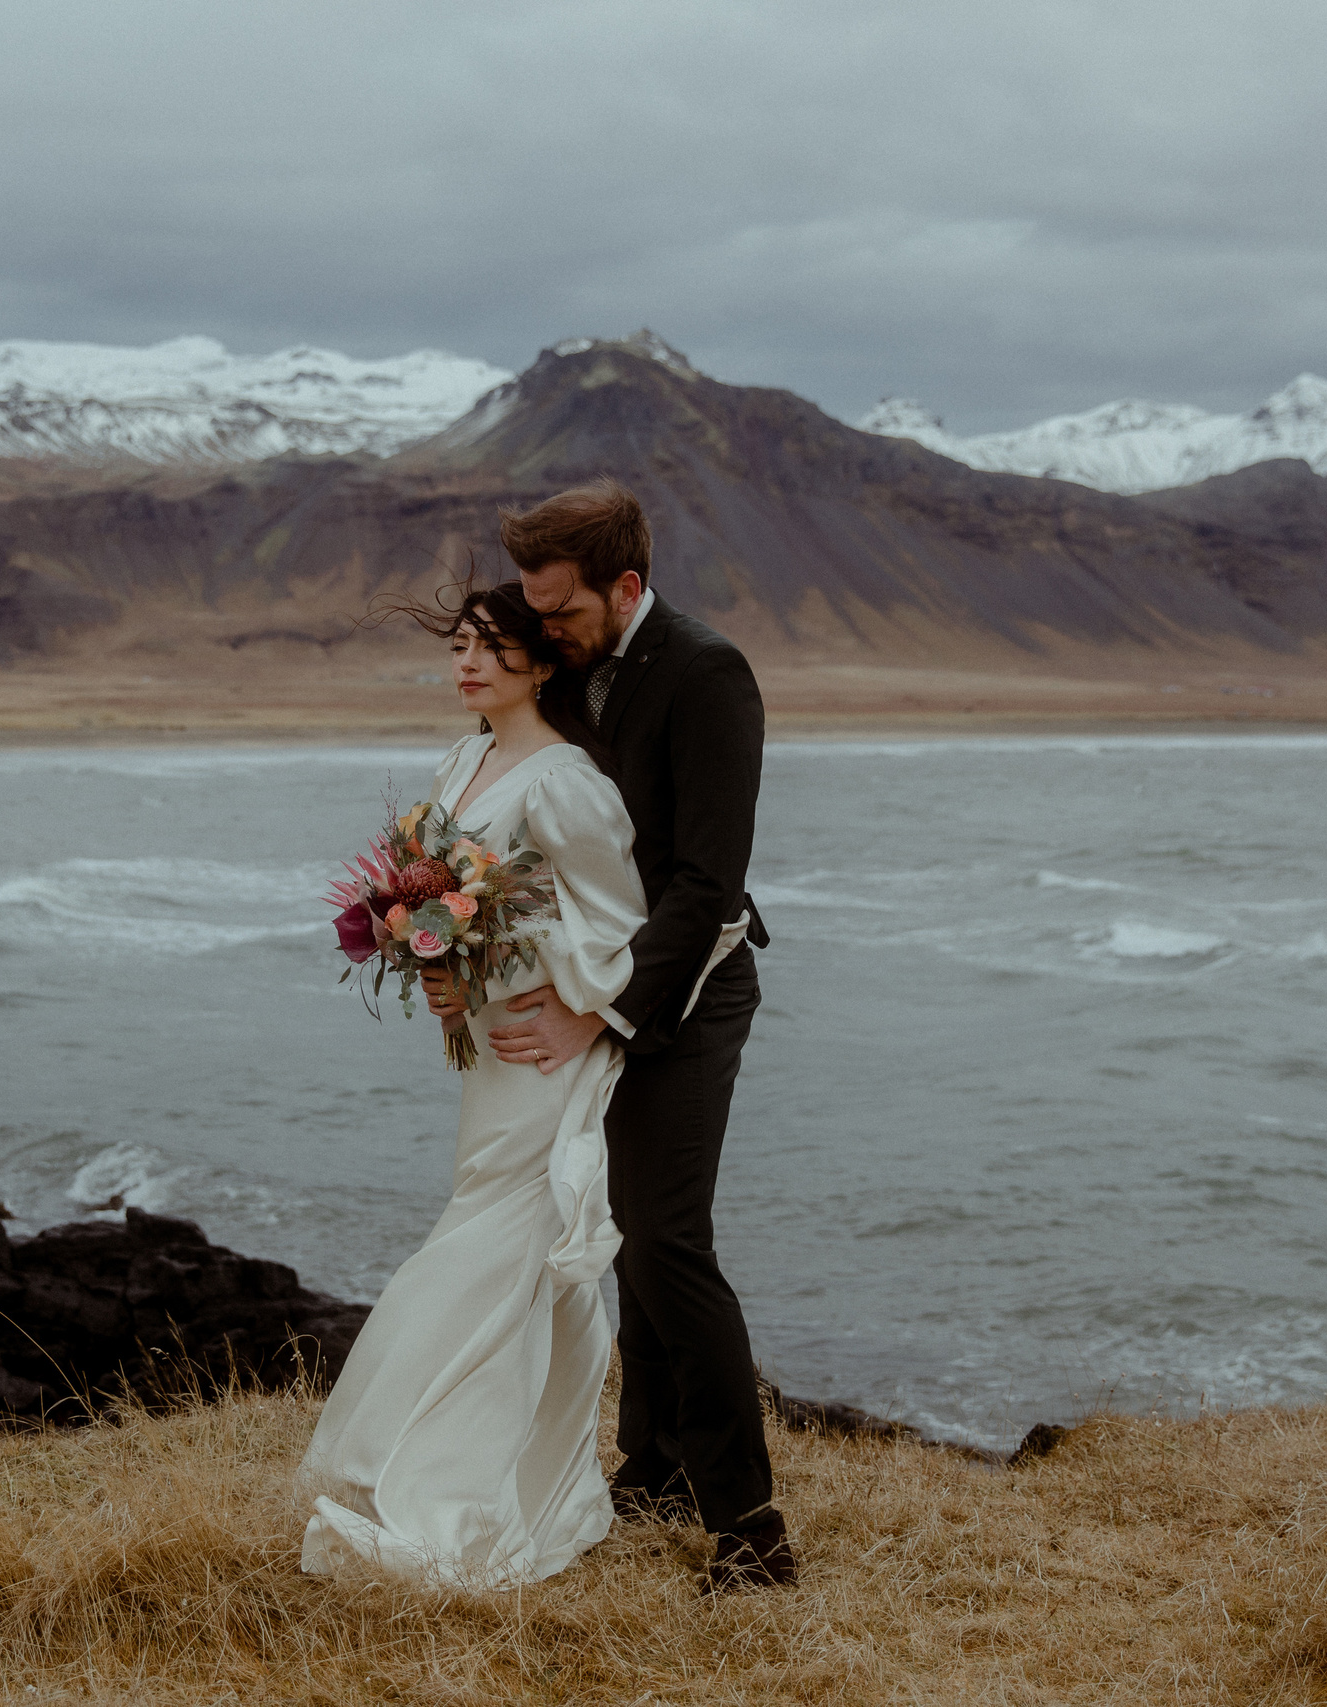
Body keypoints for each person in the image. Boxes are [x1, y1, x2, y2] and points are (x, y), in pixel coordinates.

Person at [449, 478, 792, 1591]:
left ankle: (751, 1530)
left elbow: (703, 885)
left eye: (560, 609)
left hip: (688, 995)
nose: (543, 628)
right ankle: (649, 1474)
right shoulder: (578, 664)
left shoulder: (706, 673)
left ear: (626, 586)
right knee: (621, 1238)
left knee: (667, 1244)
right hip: (603, 987)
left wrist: (594, 1010)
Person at [297, 581, 646, 1589]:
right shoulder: (461, 761)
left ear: (541, 664)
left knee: (498, 1244)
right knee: (507, 1244)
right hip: (489, 1047)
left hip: (546, 1044)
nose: (469, 664)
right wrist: (439, 965)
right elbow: (448, 893)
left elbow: (616, 917)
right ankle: (542, 1469)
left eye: (492, 648)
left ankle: (451, 1494)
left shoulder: (565, 778)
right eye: (458, 647)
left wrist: (575, 1002)